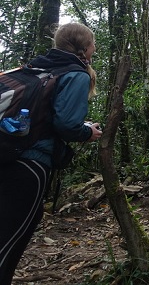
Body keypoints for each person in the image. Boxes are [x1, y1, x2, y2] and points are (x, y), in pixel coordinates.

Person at [0, 23, 102, 284]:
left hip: (5, 155)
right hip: (29, 166)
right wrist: (86, 132)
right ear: (85, 48)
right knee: (9, 241)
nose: (94, 48)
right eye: (92, 43)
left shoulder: (33, 67)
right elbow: (67, 125)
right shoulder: (76, 74)